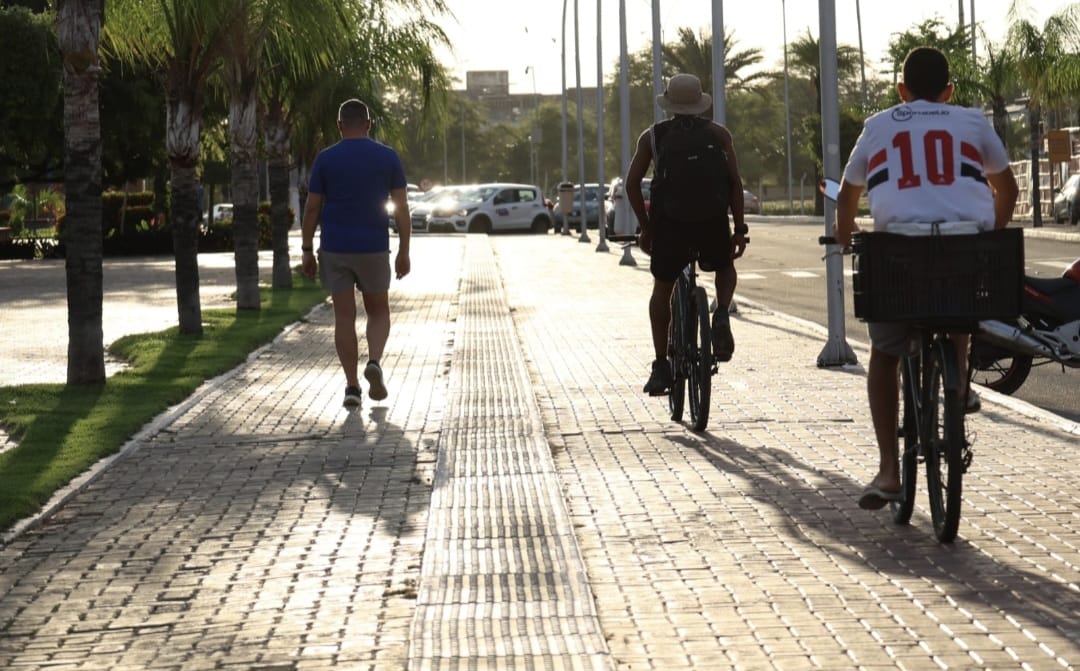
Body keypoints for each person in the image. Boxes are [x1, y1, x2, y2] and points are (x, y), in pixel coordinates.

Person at [834, 46, 1019, 510]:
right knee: (960, 308)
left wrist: (844, 237)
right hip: (963, 253)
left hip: (897, 259)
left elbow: (849, 192)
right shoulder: (973, 121)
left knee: (884, 353)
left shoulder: (878, 126)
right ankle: (958, 388)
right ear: (949, 90)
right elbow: (1008, 188)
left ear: (901, 90)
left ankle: (888, 471)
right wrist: (989, 233)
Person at [624, 73, 748, 395]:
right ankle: (721, 313)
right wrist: (739, 230)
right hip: (712, 224)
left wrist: (646, 228)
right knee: (724, 266)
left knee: (662, 291)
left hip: (670, 227)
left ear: (669, 104)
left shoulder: (652, 137)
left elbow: (631, 184)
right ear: (699, 103)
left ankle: (662, 365)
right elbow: (735, 183)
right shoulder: (719, 135)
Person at [301, 99, 412, 409]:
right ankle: (374, 361)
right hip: (373, 246)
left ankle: (351, 387)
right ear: (368, 124)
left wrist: (307, 250)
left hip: (335, 247)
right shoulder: (387, 157)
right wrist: (404, 251)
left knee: (344, 317)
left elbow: (312, 207)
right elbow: (401, 208)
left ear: (339, 126)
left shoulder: (325, 159)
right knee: (378, 312)